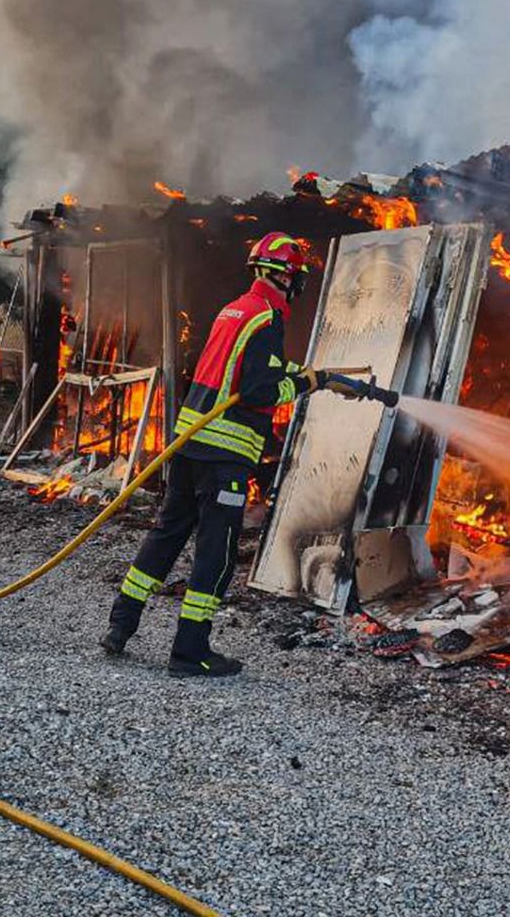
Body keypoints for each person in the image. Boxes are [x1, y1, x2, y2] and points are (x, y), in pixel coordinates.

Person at [99, 231, 342, 677]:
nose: (298, 286)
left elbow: (241, 367)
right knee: (217, 551)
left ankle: (120, 625)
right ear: (286, 277)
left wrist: (311, 373)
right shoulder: (267, 317)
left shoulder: (236, 310)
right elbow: (255, 389)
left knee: (166, 535)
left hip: (190, 445)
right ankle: (190, 652)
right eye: (297, 277)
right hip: (223, 453)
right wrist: (304, 385)